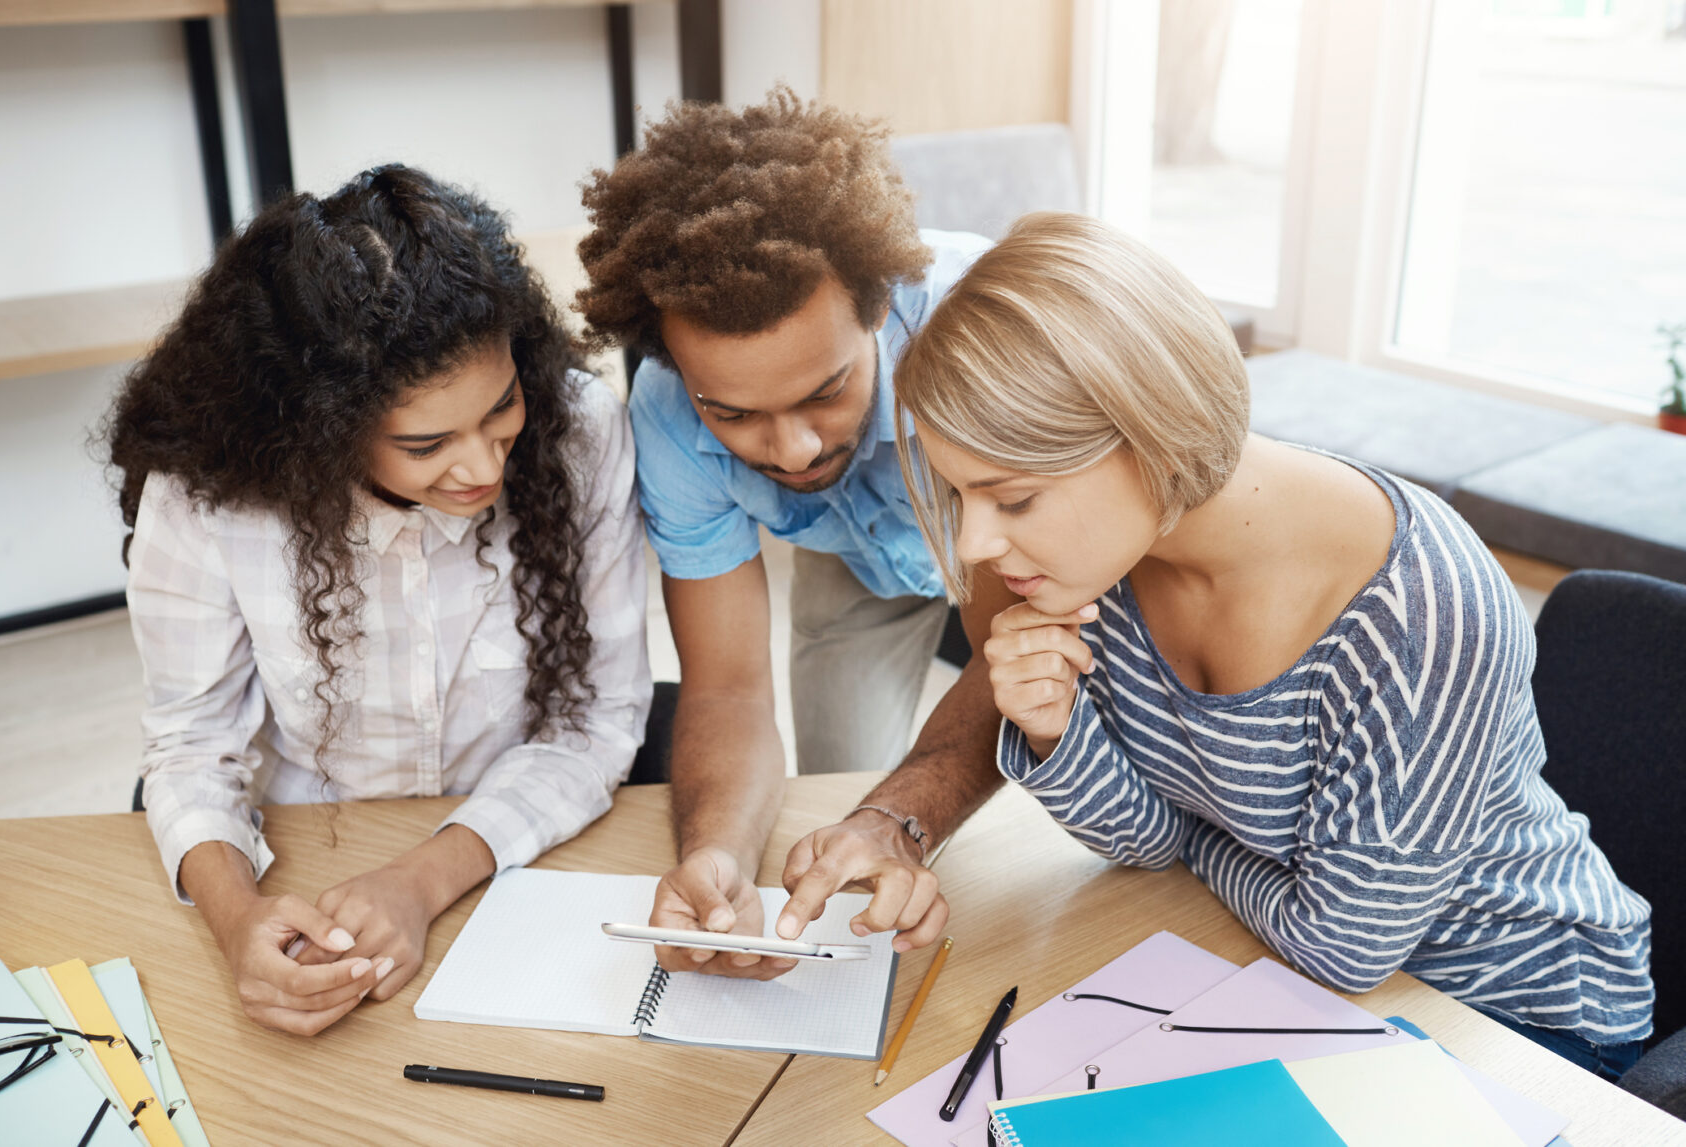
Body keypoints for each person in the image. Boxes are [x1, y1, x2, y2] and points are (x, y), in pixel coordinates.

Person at [877, 210, 1654, 1076]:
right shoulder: (1098, 567)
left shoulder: (1425, 613)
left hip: (1519, 1012)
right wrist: (1056, 730)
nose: (978, 544)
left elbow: (1340, 949)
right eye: (962, 497)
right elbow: (1138, 840)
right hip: (1296, 976)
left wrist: (1193, 843)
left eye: (1012, 499)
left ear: (1149, 436)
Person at [105, 165, 651, 1036]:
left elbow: (596, 720)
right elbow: (189, 746)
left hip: (508, 854)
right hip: (305, 861)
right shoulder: (209, 494)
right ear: (320, 426)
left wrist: (422, 880)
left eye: (501, 406)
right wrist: (240, 918)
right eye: (427, 442)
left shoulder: (579, 428)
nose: (483, 467)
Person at [575, 89, 1021, 979]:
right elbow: (731, 689)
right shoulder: (666, 416)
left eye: (825, 390)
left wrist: (899, 820)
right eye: (734, 413)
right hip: (854, 563)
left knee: (944, 804)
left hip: (1010, 548)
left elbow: (1013, 649)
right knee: (840, 804)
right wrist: (715, 856)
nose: (795, 448)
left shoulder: (983, 335)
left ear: (880, 307)